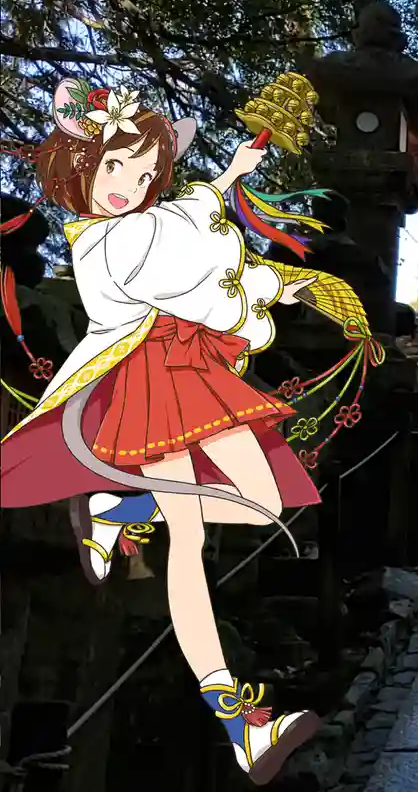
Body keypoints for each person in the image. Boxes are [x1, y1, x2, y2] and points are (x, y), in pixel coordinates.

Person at [0, 79, 368, 785]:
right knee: (191, 543)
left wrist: (232, 174)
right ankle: (242, 723)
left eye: (145, 175)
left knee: (262, 503)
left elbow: (191, 221)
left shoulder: (147, 223)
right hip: (148, 378)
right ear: (83, 164)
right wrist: (271, 287)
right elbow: (192, 274)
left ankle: (122, 507)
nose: (129, 186)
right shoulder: (102, 241)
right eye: (115, 167)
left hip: (191, 372)